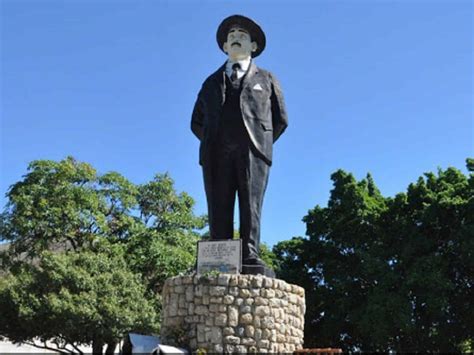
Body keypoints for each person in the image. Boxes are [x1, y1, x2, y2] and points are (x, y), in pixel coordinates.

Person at [191, 14, 288, 276]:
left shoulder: (266, 79)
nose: (235, 39)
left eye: (242, 36)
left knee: (250, 204)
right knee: (218, 202)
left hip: (253, 150)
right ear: (224, 47)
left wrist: (260, 143)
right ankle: (218, 252)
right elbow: (196, 121)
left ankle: (249, 254)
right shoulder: (210, 82)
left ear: (253, 46)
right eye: (231, 37)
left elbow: (280, 120)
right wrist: (213, 141)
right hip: (216, 151)